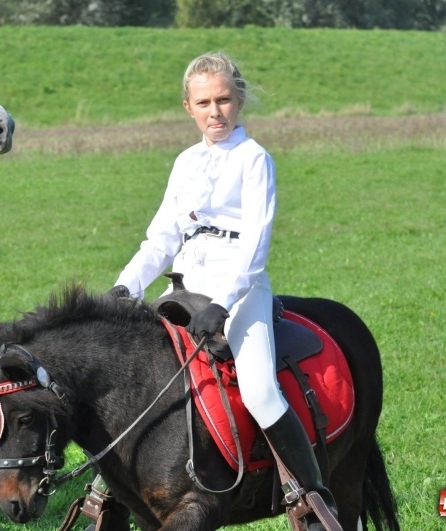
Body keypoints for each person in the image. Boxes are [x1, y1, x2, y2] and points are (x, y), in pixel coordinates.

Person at [101, 52, 340, 530]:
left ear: (240, 99)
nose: (216, 112)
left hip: (240, 287)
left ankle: (310, 498)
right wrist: (124, 286)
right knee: (136, 382)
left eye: (225, 100)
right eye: (205, 102)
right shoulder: (185, 162)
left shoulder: (255, 160)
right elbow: (161, 239)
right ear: (188, 107)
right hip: (184, 284)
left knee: (259, 391)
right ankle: (111, 501)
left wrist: (223, 303)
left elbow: (256, 242)